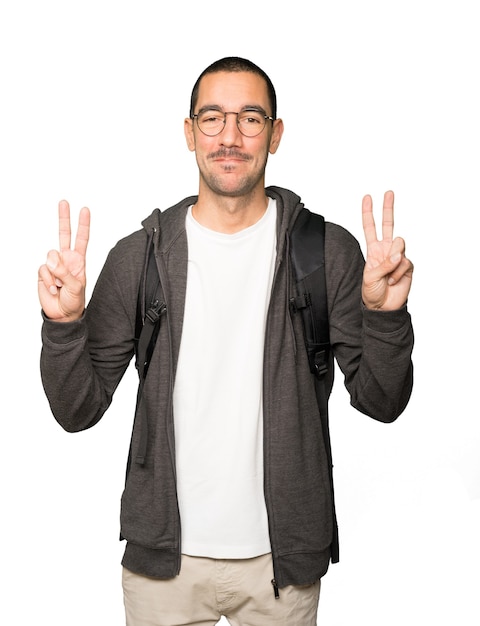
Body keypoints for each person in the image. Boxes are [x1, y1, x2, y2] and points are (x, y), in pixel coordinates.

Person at [38, 56, 414, 626]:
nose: (230, 136)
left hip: (281, 566)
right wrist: (64, 326)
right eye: (211, 118)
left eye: (250, 118)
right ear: (189, 133)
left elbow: (383, 401)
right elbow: (76, 410)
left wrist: (386, 318)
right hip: (163, 566)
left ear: (276, 134)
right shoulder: (139, 257)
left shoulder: (326, 252)